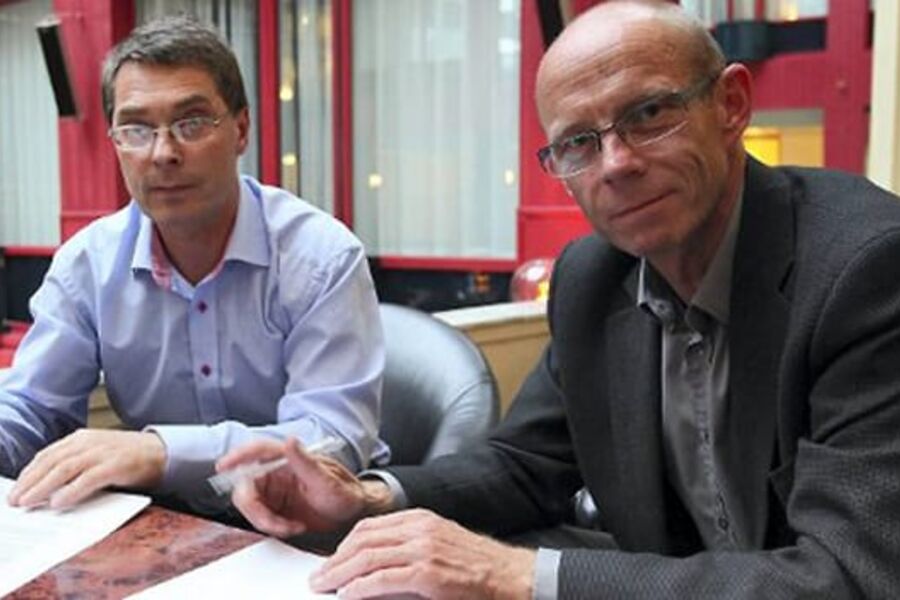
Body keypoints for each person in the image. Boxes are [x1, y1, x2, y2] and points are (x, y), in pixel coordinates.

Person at [218, 1, 900, 598]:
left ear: (731, 105)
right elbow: (526, 464)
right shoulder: (592, 276)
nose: (617, 163)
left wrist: (513, 576)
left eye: (650, 114)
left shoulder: (865, 269)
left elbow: (850, 577)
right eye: (578, 142)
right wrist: (366, 497)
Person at [0, 16, 388, 515]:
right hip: (166, 521)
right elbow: (33, 408)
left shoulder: (320, 257)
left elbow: (331, 439)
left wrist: (164, 453)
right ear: (116, 142)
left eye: (192, 123)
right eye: (136, 129)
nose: (163, 153)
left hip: (308, 524)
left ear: (241, 130)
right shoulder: (87, 265)